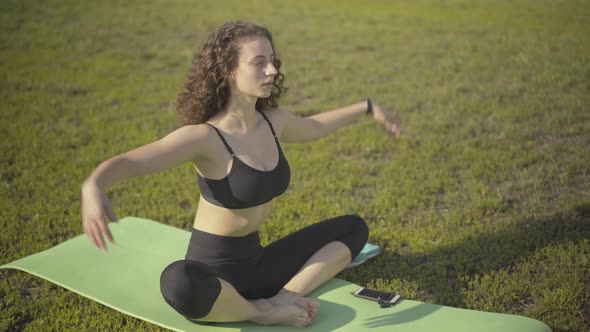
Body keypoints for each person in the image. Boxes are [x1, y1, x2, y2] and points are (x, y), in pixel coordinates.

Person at [81, 20, 400, 329]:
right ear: (228, 72)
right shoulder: (205, 137)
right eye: (259, 63)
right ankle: (258, 313)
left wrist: (367, 107)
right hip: (213, 278)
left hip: (258, 265)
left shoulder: (274, 121)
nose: (272, 70)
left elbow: (315, 126)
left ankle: (281, 299)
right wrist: (94, 185)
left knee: (353, 229)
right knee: (178, 281)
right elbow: (132, 162)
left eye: (272, 61)